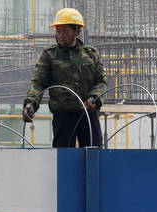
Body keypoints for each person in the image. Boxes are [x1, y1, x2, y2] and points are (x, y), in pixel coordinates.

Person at [22, 8, 106, 148]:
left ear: (77, 31)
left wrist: (94, 98)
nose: (60, 35)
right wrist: (30, 104)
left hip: (88, 115)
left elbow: (100, 81)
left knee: (94, 154)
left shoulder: (91, 55)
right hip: (64, 117)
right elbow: (38, 83)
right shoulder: (49, 55)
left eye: (65, 31)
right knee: (64, 158)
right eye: (58, 31)